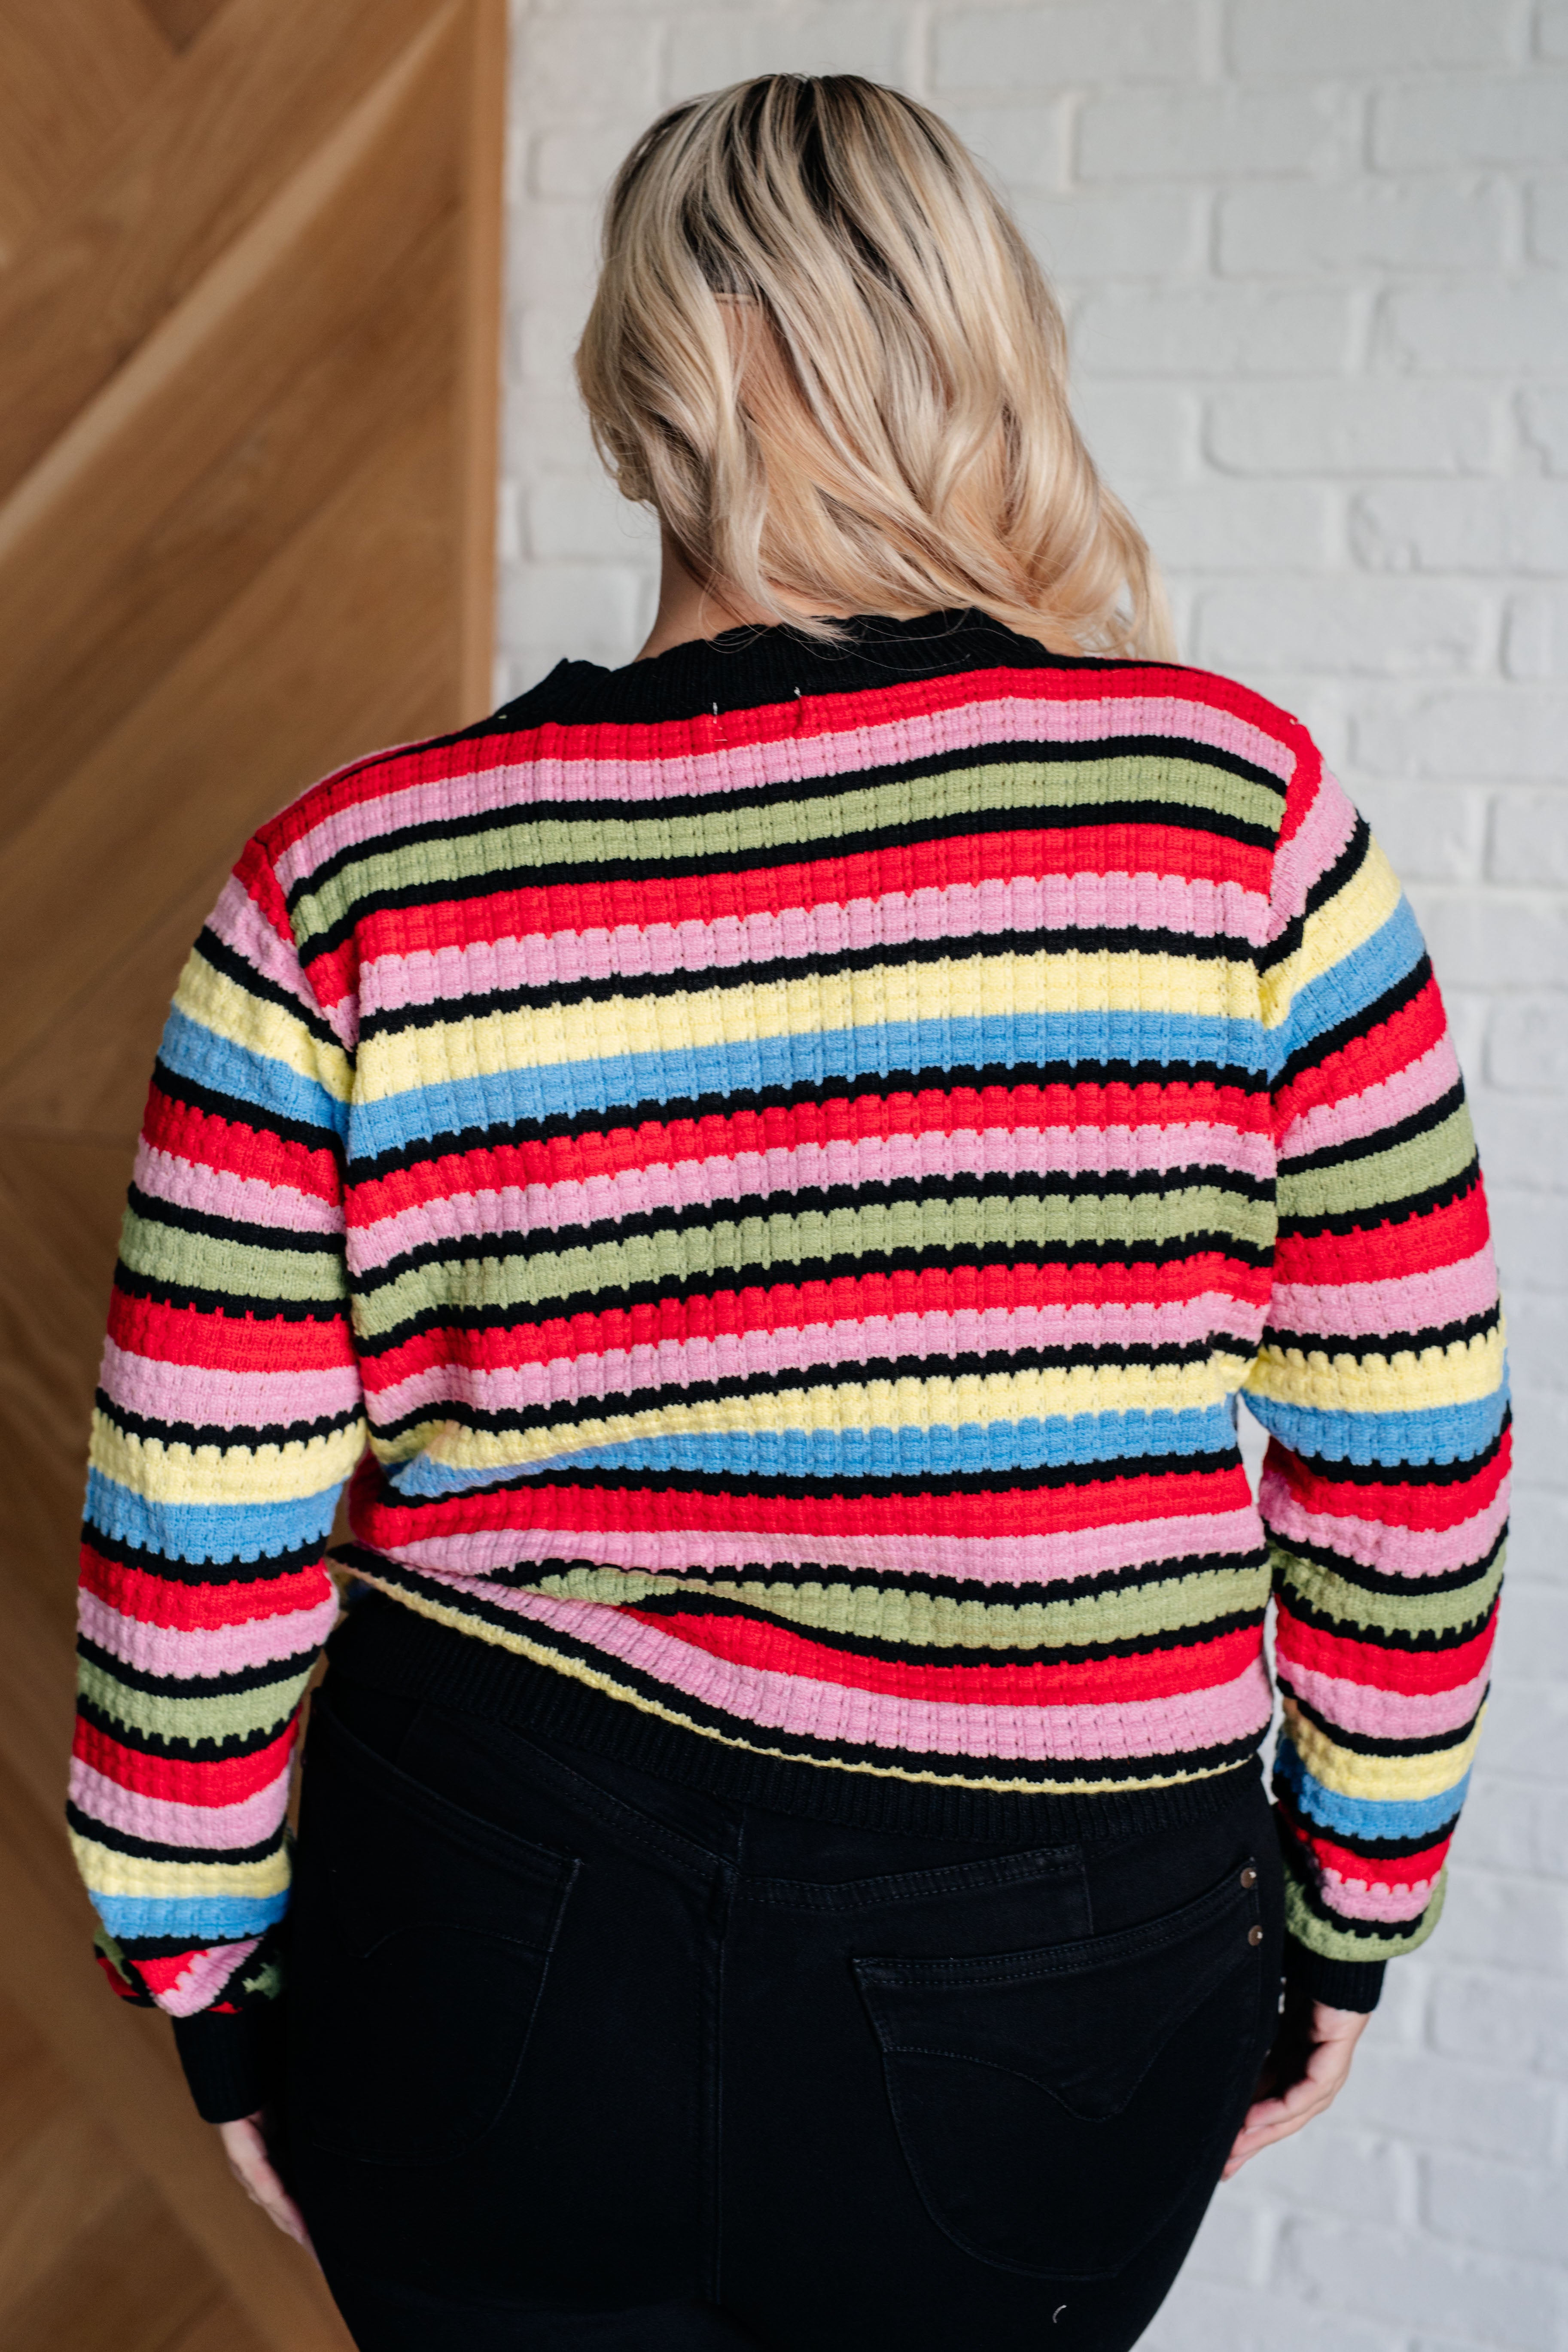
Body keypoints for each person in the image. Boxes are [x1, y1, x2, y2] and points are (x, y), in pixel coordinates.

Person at [67, 74, 1507, 2352]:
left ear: (633, 385)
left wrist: (205, 1973)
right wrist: (1354, 1900)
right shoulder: (1237, 827)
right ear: (981, 352)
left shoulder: (352, 881)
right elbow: (1407, 1449)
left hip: (490, 1916)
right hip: (1057, 1935)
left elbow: (194, 1508)